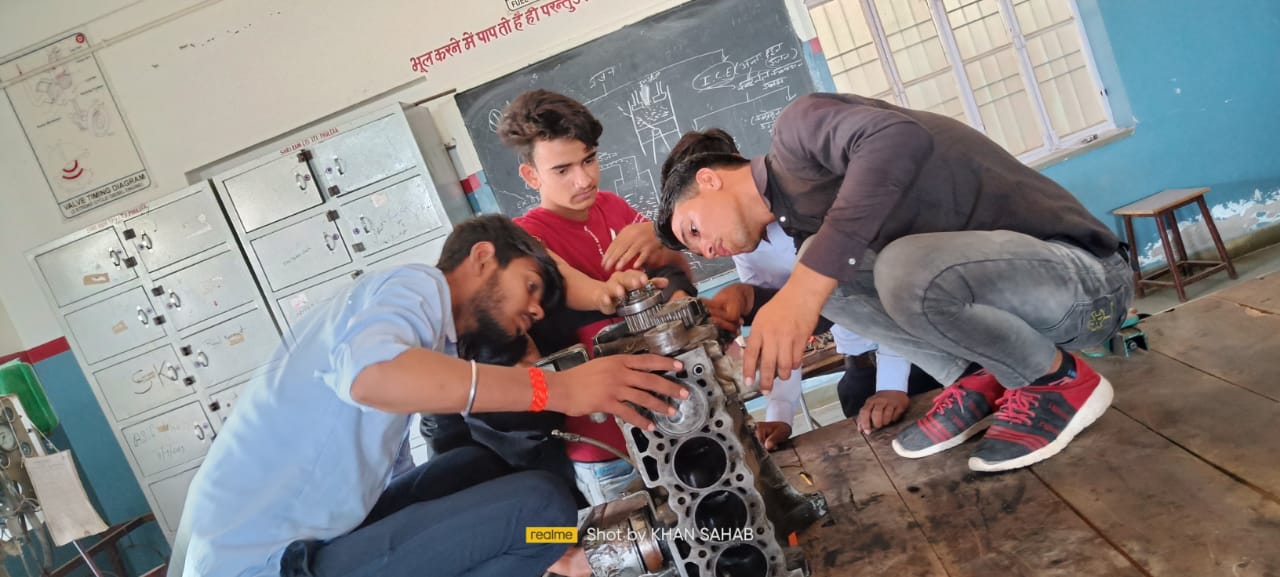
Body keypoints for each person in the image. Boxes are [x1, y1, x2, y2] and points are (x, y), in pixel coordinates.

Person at [176, 215, 689, 577]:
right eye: (531, 287)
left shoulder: (424, 346)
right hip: (265, 564)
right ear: (482, 257)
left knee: (475, 469)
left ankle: (563, 555)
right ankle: (558, 549)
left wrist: (549, 548)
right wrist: (557, 389)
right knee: (542, 504)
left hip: (316, 541)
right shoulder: (414, 289)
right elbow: (370, 376)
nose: (536, 310)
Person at [654, 93, 1134, 472]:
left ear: (710, 180)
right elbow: (832, 303)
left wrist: (805, 285)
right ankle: (977, 376)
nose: (706, 249)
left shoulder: (799, 129)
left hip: (1087, 285)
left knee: (891, 265)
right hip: (1028, 307)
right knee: (827, 268)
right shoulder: (802, 220)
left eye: (693, 229)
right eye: (695, 249)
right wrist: (757, 302)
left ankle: (1056, 382)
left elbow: (899, 139)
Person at [657, 129, 939, 446]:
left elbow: (881, 290)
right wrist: (780, 414)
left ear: (721, 174)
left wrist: (892, 384)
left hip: (918, 358)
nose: (707, 250)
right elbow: (782, 329)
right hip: (860, 370)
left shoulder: (810, 199)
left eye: (696, 227)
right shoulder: (743, 246)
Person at [495, 89, 696, 504]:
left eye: (588, 160)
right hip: (609, 456)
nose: (584, 179)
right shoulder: (524, 237)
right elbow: (564, 279)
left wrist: (661, 237)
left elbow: (678, 268)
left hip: (675, 422)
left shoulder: (613, 207)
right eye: (562, 169)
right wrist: (609, 291)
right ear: (531, 176)